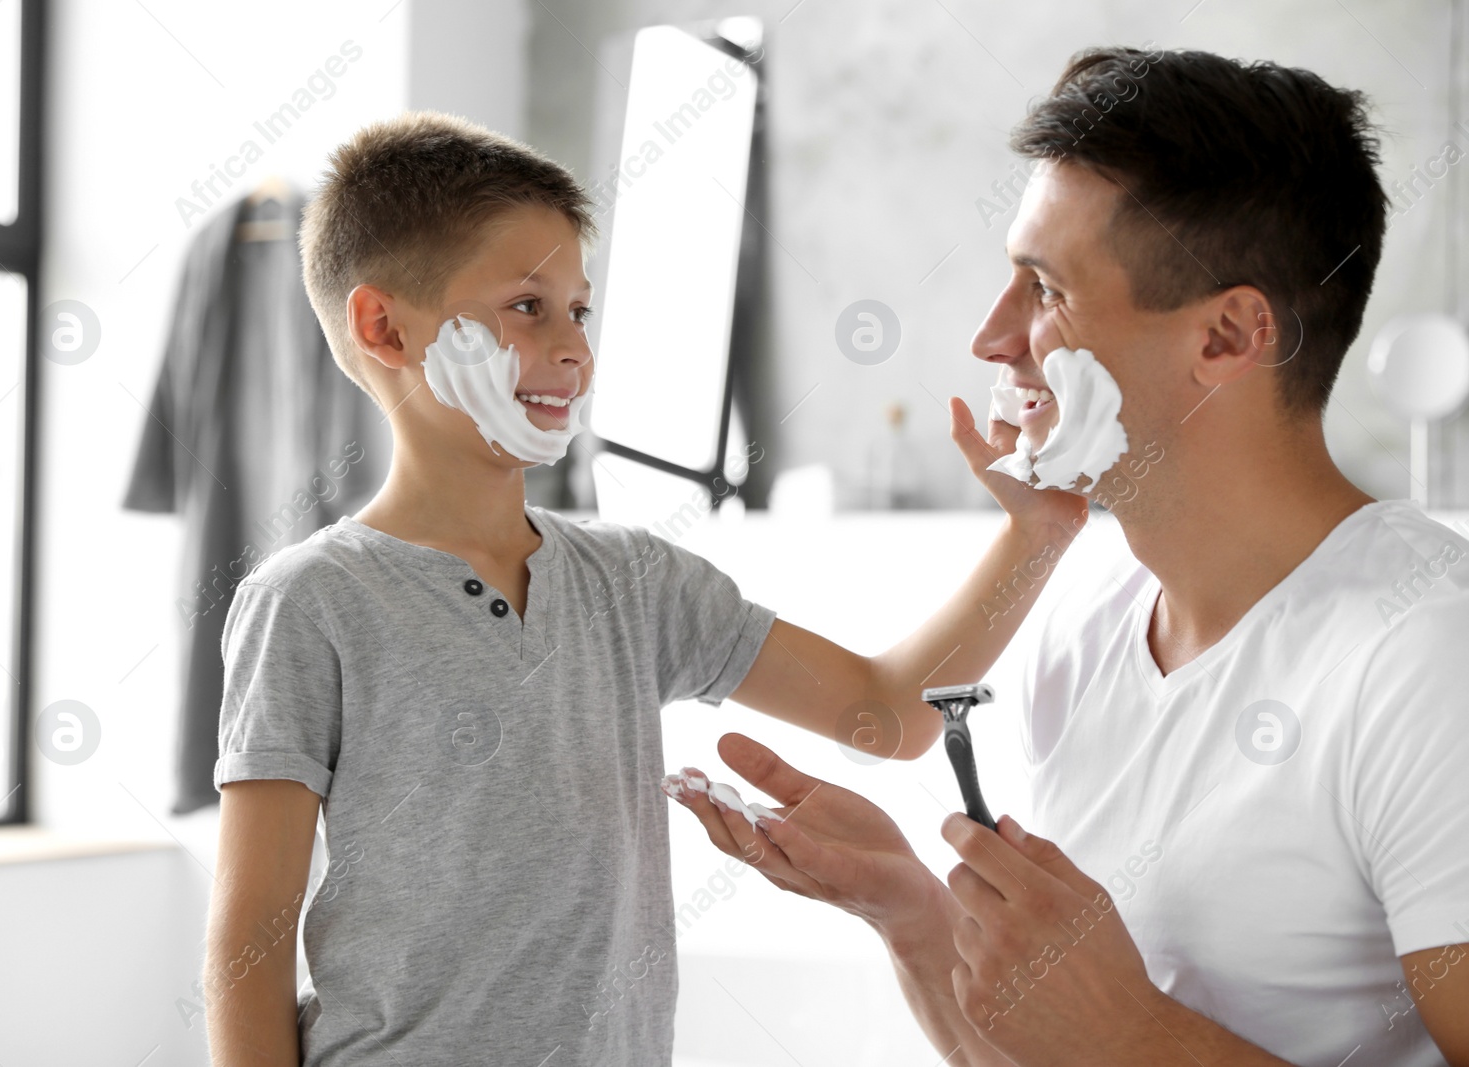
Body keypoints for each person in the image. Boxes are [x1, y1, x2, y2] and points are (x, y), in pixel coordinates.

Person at [202, 110, 1088, 1065]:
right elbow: (248, 941)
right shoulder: (312, 603)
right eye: (527, 306)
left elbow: (886, 714)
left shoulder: (635, 584)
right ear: (384, 326)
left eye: (579, 311)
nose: (574, 348)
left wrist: (1034, 535)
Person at [671, 45, 1469, 1066]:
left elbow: (1116, 1040)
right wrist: (912, 916)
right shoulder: (1091, 619)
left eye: (1043, 290)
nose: (990, 336)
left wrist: (1137, 1031)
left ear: (1227, 335)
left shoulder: (1425, 660)